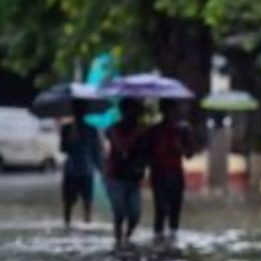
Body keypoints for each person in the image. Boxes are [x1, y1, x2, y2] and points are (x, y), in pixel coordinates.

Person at [145, 100, 196, 246]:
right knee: (160, 209)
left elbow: (190, 153)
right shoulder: (154, 131)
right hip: (159, 174)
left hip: (175, 173)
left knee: (175, 209)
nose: (171, 115)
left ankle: (172, 240)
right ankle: (159, 239)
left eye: (173, 111)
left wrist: (180, 148)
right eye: (168, 111)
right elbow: (147, 153)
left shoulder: (183, 130)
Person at [105, 98, 147, 250]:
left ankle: (126, 237)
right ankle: (118, 240)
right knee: (119, 211)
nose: (133, 115)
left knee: (135, 214)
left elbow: (145, 154)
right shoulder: (113, 129)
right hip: (115, 177)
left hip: (133, 178)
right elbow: (121, 148)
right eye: (130, 111)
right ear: (123, 112)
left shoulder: (142, 131)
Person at [59, 100, 104, 229]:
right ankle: (84, 225)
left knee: (70, 204)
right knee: (85, 203)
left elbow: (62, 148)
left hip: (74, 168)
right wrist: (101, 170)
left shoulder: (67, 128)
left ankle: (69, 225)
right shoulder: (90, 129)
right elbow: (97, 152)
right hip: (84, 168)